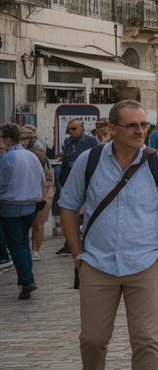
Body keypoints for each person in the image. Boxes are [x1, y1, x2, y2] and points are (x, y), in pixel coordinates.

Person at [59, 100, 158, 370]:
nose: (140, 131)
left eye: (144, 125)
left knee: (146, 341)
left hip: (144, 264)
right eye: (132, 126)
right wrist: (77, 256)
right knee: (93, 339)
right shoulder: (91, 160)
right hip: (97, 264)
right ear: (111, 128)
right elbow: (68, 206)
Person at [0, 123, 45, 298]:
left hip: (11, 206)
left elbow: (2, 184)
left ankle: (26, 280)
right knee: (23, 243)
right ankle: (27, 278)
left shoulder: (7, 159)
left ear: (8, 139)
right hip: (30, 205)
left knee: (16, 245)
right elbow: (42, 179)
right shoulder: (31, 156)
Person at [55, 118, 101, 256]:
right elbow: (66, 160)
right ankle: (68, 243)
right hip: (71, 175)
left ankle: (83, 241)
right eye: (69, 129)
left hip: (87, 177)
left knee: (84, 211)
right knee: (70, 208)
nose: (71, 132)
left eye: (74, 129)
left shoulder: (91, 141)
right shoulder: (68, 142)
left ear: (82, 128)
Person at [19, 125, 54, 259]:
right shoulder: (25, 150)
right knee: (33, 223)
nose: (24, 140)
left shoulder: (37, 151)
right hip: (33, 191)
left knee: (38, 223)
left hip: (43, 191)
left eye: (26, 138)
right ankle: (32, 250)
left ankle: (35, 250)